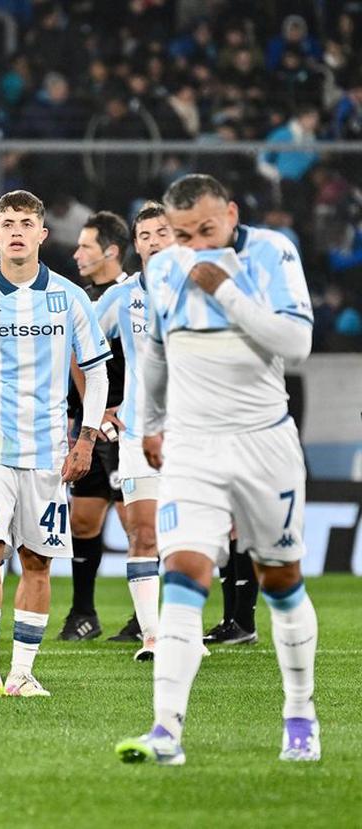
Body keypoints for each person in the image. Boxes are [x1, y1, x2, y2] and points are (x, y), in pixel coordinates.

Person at [117, 174, 319, 765]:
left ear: (231, 214)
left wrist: (227, 291)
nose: (195, 244)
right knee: (182, 571)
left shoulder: (272, 251)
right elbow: (155, 351)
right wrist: (150, 423)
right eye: (182, 235)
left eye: (207, 230)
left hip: (264, 444)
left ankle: (300, 713)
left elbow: (297, 343)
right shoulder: (163, 269)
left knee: (281, 581)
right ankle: (165, 730)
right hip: (193, 445)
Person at [0, 190, 110, 698]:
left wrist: (85, 439)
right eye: (6, 222)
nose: (14, 230)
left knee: (37, 560)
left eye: (24, 222)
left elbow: (97, 374)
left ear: (41, 233)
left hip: (48, 454)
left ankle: (22, 673)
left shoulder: (70, 298)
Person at [91, 201, 172, 660]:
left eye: (163, 233)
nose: (154, 242)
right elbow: (80, 346)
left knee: (190, 540)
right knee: (142, 534)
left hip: (197, 435)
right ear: (135, 246)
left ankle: (180, 632)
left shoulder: (202, 292)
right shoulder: (123, 298)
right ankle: (153, 637)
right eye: (145, 236)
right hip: (139, 435)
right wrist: (99, 408)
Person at [59, 211, 132, 642]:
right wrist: (85, 416)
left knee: (137, 523)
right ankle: (83, 614)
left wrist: (111, 409)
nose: (77, 253)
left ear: (111, 251)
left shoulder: (131, 297)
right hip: (88, 426)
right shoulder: (76, 298)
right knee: (83, 521)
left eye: (86, 246)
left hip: (124, 427)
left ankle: (147, 618)